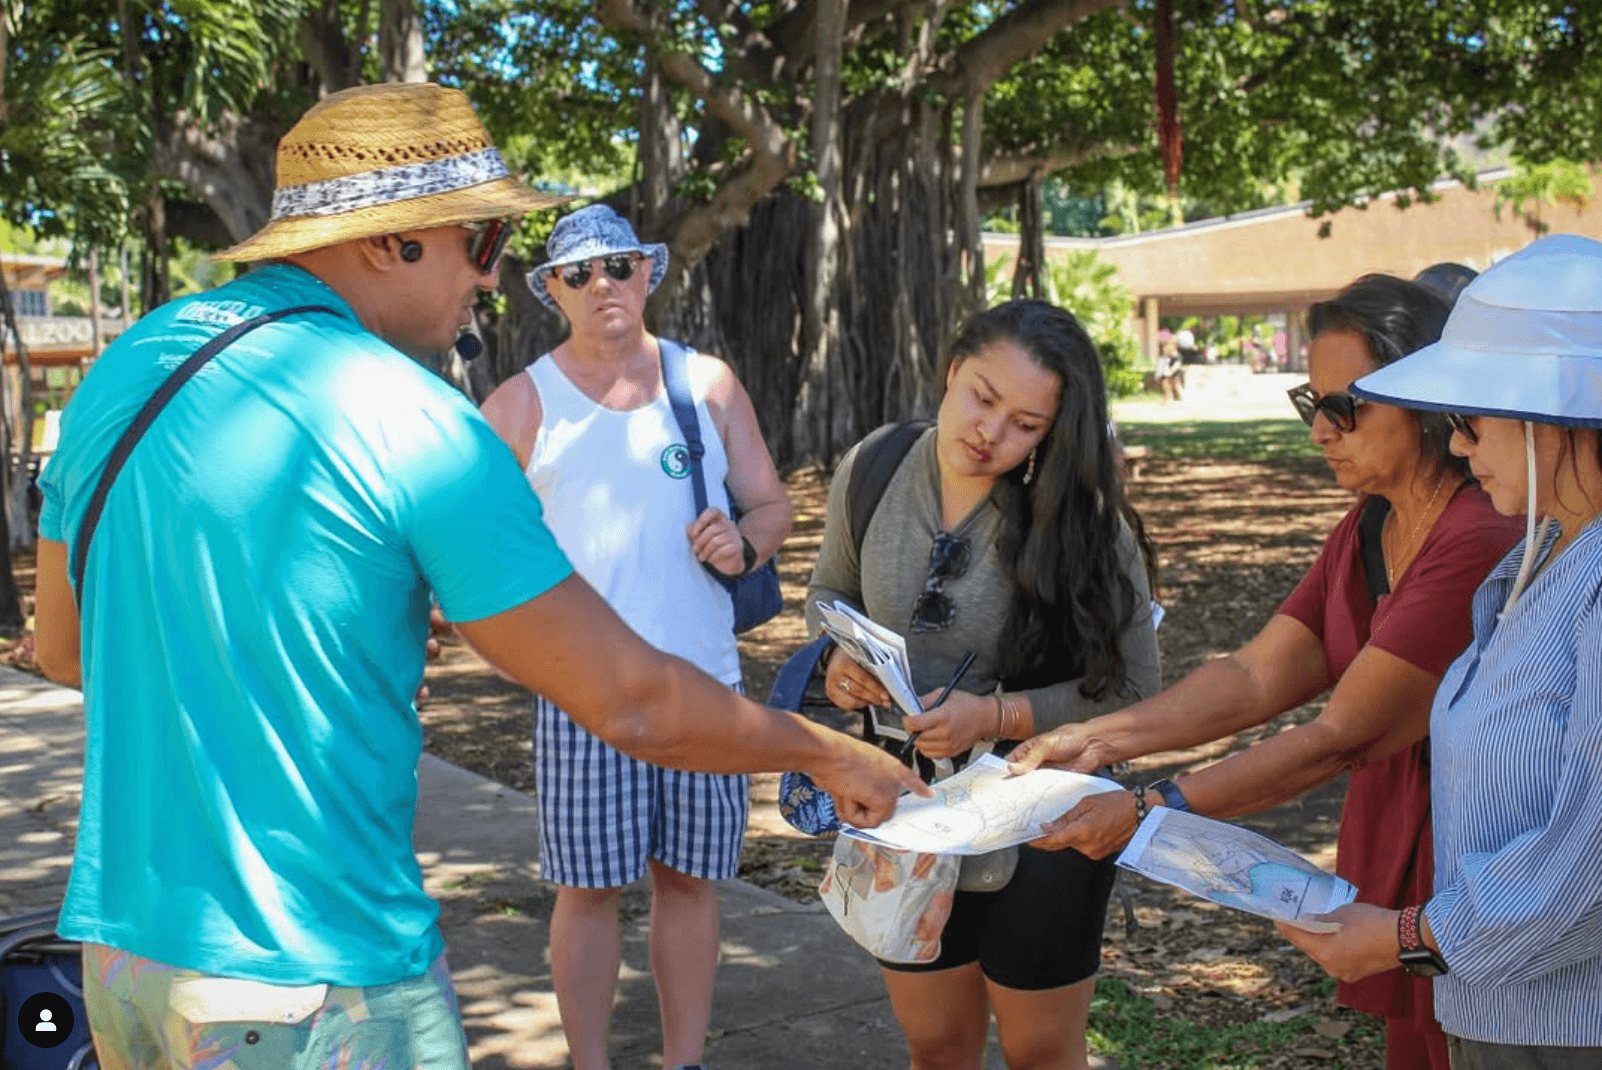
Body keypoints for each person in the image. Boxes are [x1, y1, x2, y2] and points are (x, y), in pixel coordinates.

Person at [29, 83, 921, 1070]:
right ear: (392, 241)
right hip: (315, 981)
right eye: (482, 240)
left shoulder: (133, 365)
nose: (492, 278)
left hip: (127, 959)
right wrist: (829, 754)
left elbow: (65, 648)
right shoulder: (412, 417)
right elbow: (631, 701)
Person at [1007, 273, 1524, 1070]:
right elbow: (1255, 675)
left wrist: (1146, 813)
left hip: (1480, 861)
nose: (1321, 429)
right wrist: (1094, 739)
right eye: (1310, 403)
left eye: (1346, 407)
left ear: (1424, 400)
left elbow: (1339, 737)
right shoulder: (1371, 524)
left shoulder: (1477, 537)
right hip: (1405, 836)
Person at [807, 299, 1162, 1070]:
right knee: (936, 1046)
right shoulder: (873, 469)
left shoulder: (1085, 524)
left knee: (1041, 1052)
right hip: (906, 803)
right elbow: (829, 594)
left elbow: (1136, 693)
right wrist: (839, 660)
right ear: (951, 369)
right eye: (982, 397)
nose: (989, 433)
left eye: (1025, 424)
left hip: (1044, 816)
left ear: (1054, 432)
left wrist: (994, 716)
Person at [477, 203, 791, 1070]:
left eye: (617, 266)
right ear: (551, 290)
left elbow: (771, 505)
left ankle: (684, 1061)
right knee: (586, 888)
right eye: (578, 273)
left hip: (704, 681)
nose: (601, 285)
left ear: (648, 272)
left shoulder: (707, 383)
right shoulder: (520, 403)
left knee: (688, 879)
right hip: (584, 692)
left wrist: (744, 541)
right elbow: (477, 544)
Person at [1279, 233, 1602, 1068]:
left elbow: (1587, 864)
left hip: (1570, 1029)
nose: (1455, 445)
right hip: (1498, 1012)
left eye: (1468, 419)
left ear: (1549, 416)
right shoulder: (1540, 558)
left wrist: (1406, 935)